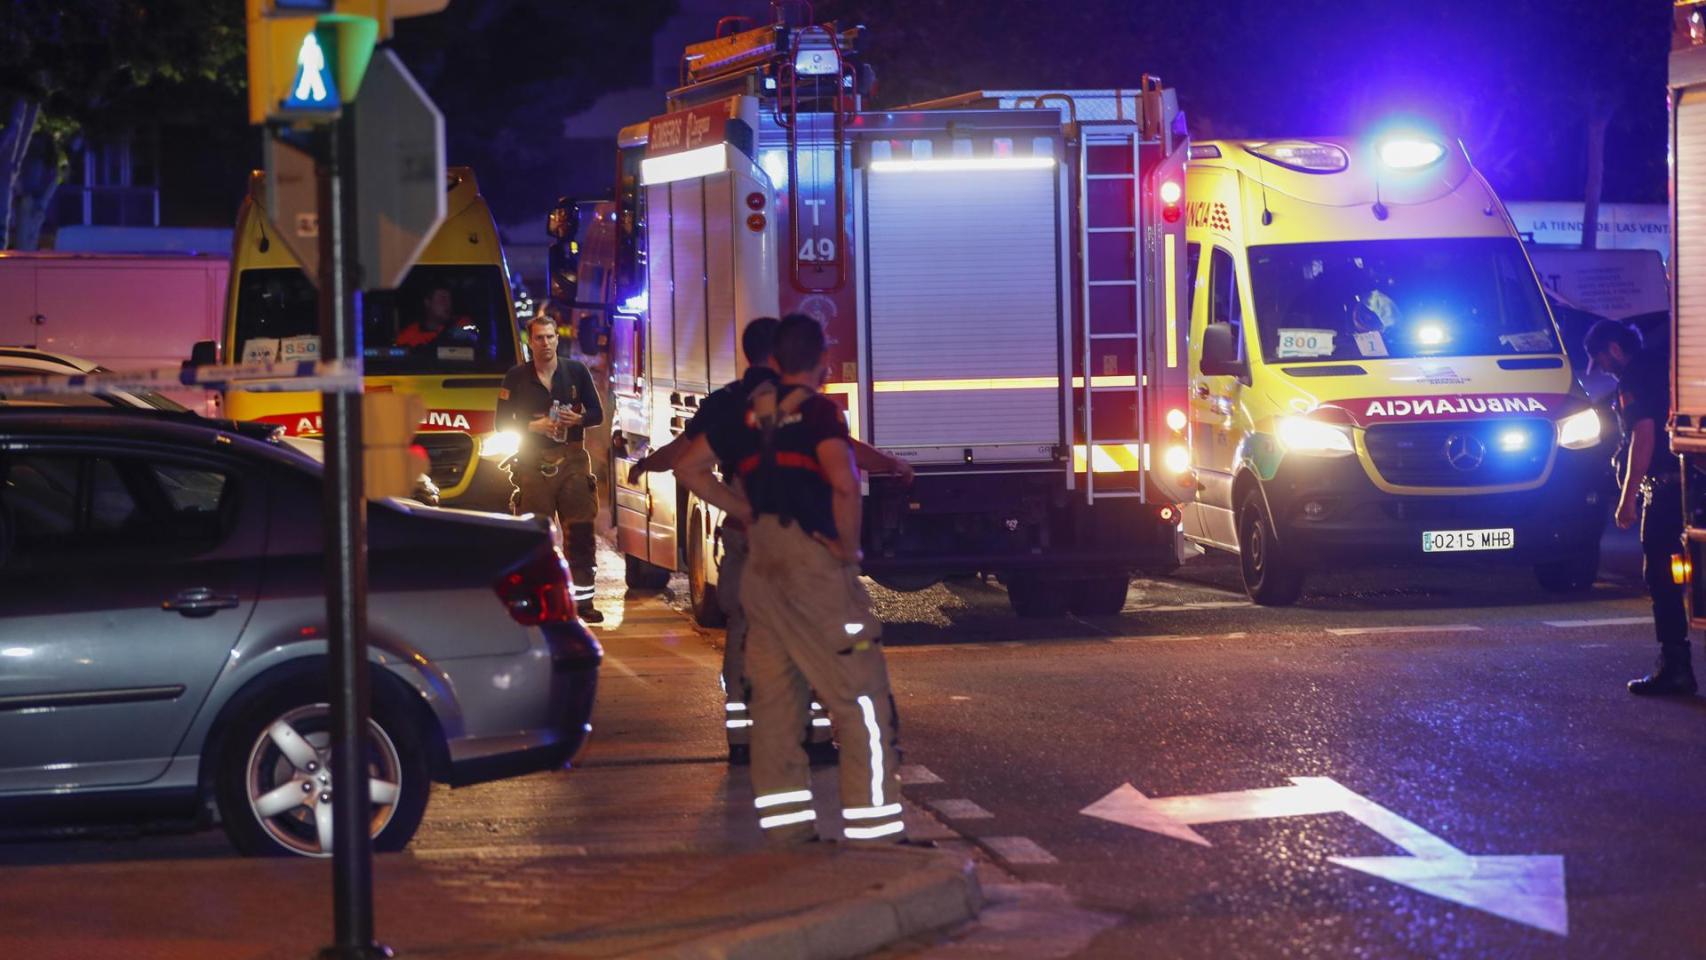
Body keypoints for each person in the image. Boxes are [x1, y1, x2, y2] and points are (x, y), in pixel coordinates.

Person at [632, 318, 913, 764]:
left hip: (750, 542)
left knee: (747, 637)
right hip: (804, 545)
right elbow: (844, 464)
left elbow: (686, 461)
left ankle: (744, 742)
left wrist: (739, 508)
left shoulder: (731, 405)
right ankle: (815, 740)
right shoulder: (810, 409)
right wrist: (852, 535)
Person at [1584, 319, 1694, 694]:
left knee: (1661, 575)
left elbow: (1643, 437)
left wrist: (1628, 499)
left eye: (1601, 360)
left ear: (1615, 349)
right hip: (1696, 480)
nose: (1602, 369)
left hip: (1664, 489)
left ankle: (1675, 666)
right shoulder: (1669, 365)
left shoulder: (1633, 379)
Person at [497, 315, 606, 623]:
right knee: (536, 535)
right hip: (532, 463)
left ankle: (583, 602)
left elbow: (597, 412)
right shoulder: (516, 377)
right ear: (530, 342)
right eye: (539, 338)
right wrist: (535, 425)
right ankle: (537, 601)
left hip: (572, 459)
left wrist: (579, 420)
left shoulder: (576, 371)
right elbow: (501, 423)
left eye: (550, 337)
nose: (545, 343)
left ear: (558, 339)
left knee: (581, 531)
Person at [398, 286, 474, 348]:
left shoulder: (463, 324)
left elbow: (473, 337)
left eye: (449, 298)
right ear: (428, 303)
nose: (447, 303)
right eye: (442, 298)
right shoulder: (410, 334)